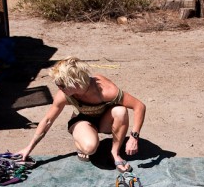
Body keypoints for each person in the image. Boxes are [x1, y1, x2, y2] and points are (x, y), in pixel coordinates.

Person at [16, 56, 146, 172]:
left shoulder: (106, 90)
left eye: (61, 85)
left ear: (75, 83)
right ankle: (82, 141)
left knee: (121, 111)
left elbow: (139, 106)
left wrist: (134, 137)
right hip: (82, 120)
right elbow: (48, 120)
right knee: (90, 148)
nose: (59, 88)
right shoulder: (64, 95)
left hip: (104, 119)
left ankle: (114, 152)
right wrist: (28, 148)